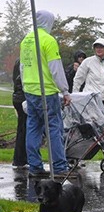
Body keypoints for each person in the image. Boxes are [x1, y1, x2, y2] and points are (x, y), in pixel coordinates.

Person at [20, 10, 72, 178]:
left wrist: (25, 86)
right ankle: (59, 166)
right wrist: (65, 90)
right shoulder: (48, 40)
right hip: (47, 91)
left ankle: (35, 166)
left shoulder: (26, 40)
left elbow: (22, 67)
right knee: (54, 129)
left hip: (30, 89)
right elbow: (55, 68)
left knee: (33, 128)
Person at [73, 38, 104, 115]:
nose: (99, 49)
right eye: (97, 47)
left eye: (101, 47)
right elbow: (78, 79)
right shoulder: (88, 61)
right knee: (91, 125)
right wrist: (75, 96)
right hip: (90, 99)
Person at [11, 58, 28, 169]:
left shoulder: (18, 61)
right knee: (25, 129)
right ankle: (20, 159)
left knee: (22, 129)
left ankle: (20, 159)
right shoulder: (27, 61)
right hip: (24, 98)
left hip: (18, 97)